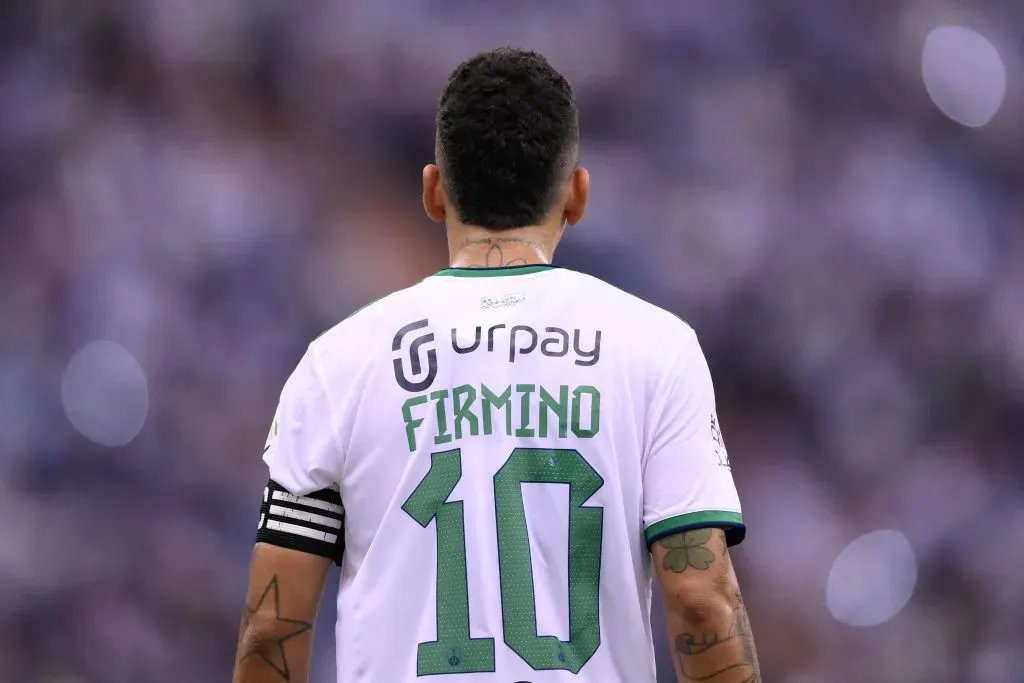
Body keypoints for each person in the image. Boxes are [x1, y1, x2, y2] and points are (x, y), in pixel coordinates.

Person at [231, 47, 761, 683]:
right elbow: (702, 604)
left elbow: (272, 625)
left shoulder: (335, 364)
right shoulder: (657, 349)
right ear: (577, 194)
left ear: (433, 191)